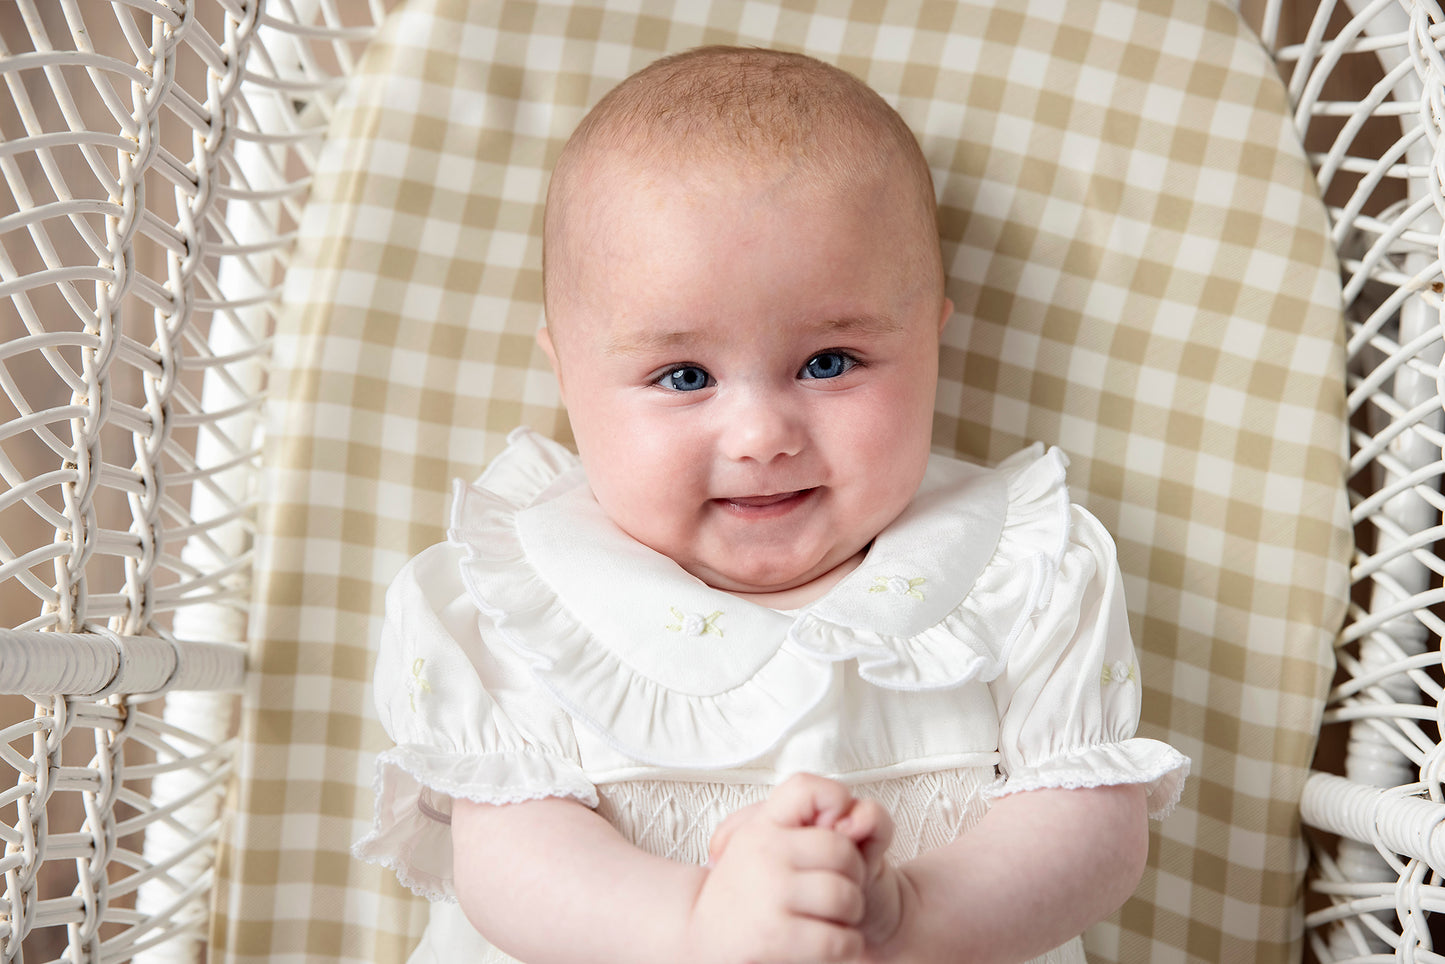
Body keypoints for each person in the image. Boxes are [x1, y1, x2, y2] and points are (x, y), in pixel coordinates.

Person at [354, 45, 1189, 964]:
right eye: (683, 376)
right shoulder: (516, 599)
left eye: (829, 363)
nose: (759, 435)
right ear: (568, 378)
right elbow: (508, 863)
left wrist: (910, 915)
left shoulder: (1017, 568)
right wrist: (701, 927)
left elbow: (1091, 831)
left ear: (930, 342)